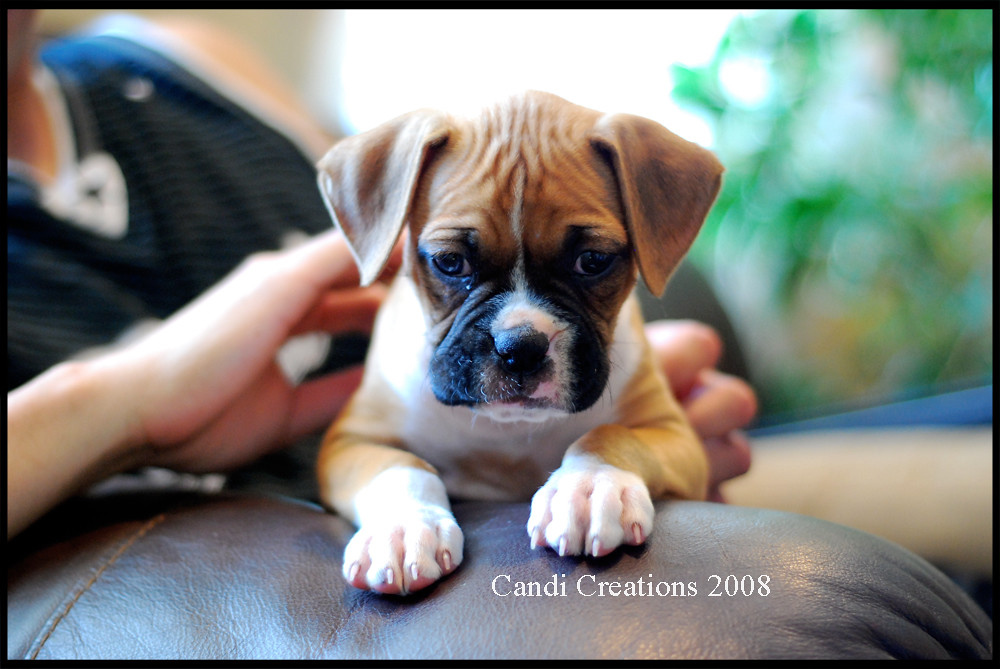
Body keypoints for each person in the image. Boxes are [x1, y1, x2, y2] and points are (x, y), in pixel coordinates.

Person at [6, 10, 756, 540]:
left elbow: (673, 440)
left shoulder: (177, 60)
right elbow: (357, 450)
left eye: (592, 261)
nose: (522, 332)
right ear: (386, 222)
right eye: (455, 264)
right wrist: (119, 406)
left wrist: (622, 459)